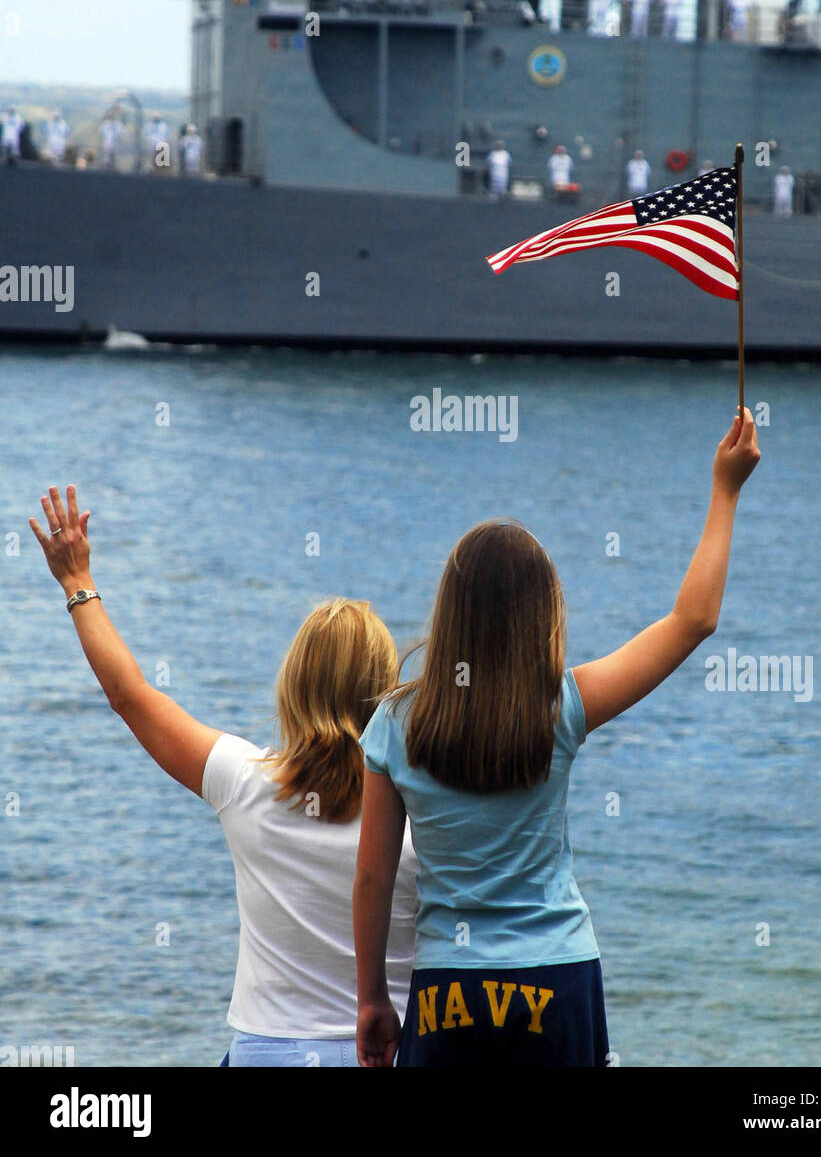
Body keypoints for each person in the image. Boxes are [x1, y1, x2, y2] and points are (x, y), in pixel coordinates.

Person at [354, 410, 761, 1067]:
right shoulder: (563, 705)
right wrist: (726, 491)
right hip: (556, 977)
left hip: (446, 988)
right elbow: (693, 621)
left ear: (449, 612)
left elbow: (372, 877)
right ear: (540, 612)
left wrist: (373, 997)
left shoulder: (394, 726)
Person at [29, 484, 417, 1068]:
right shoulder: (424, 807)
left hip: (270, 1053)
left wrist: (77, 581)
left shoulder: (245, 781)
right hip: (389, 1051)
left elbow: (129, 695)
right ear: (384, 694)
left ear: (293, 684)